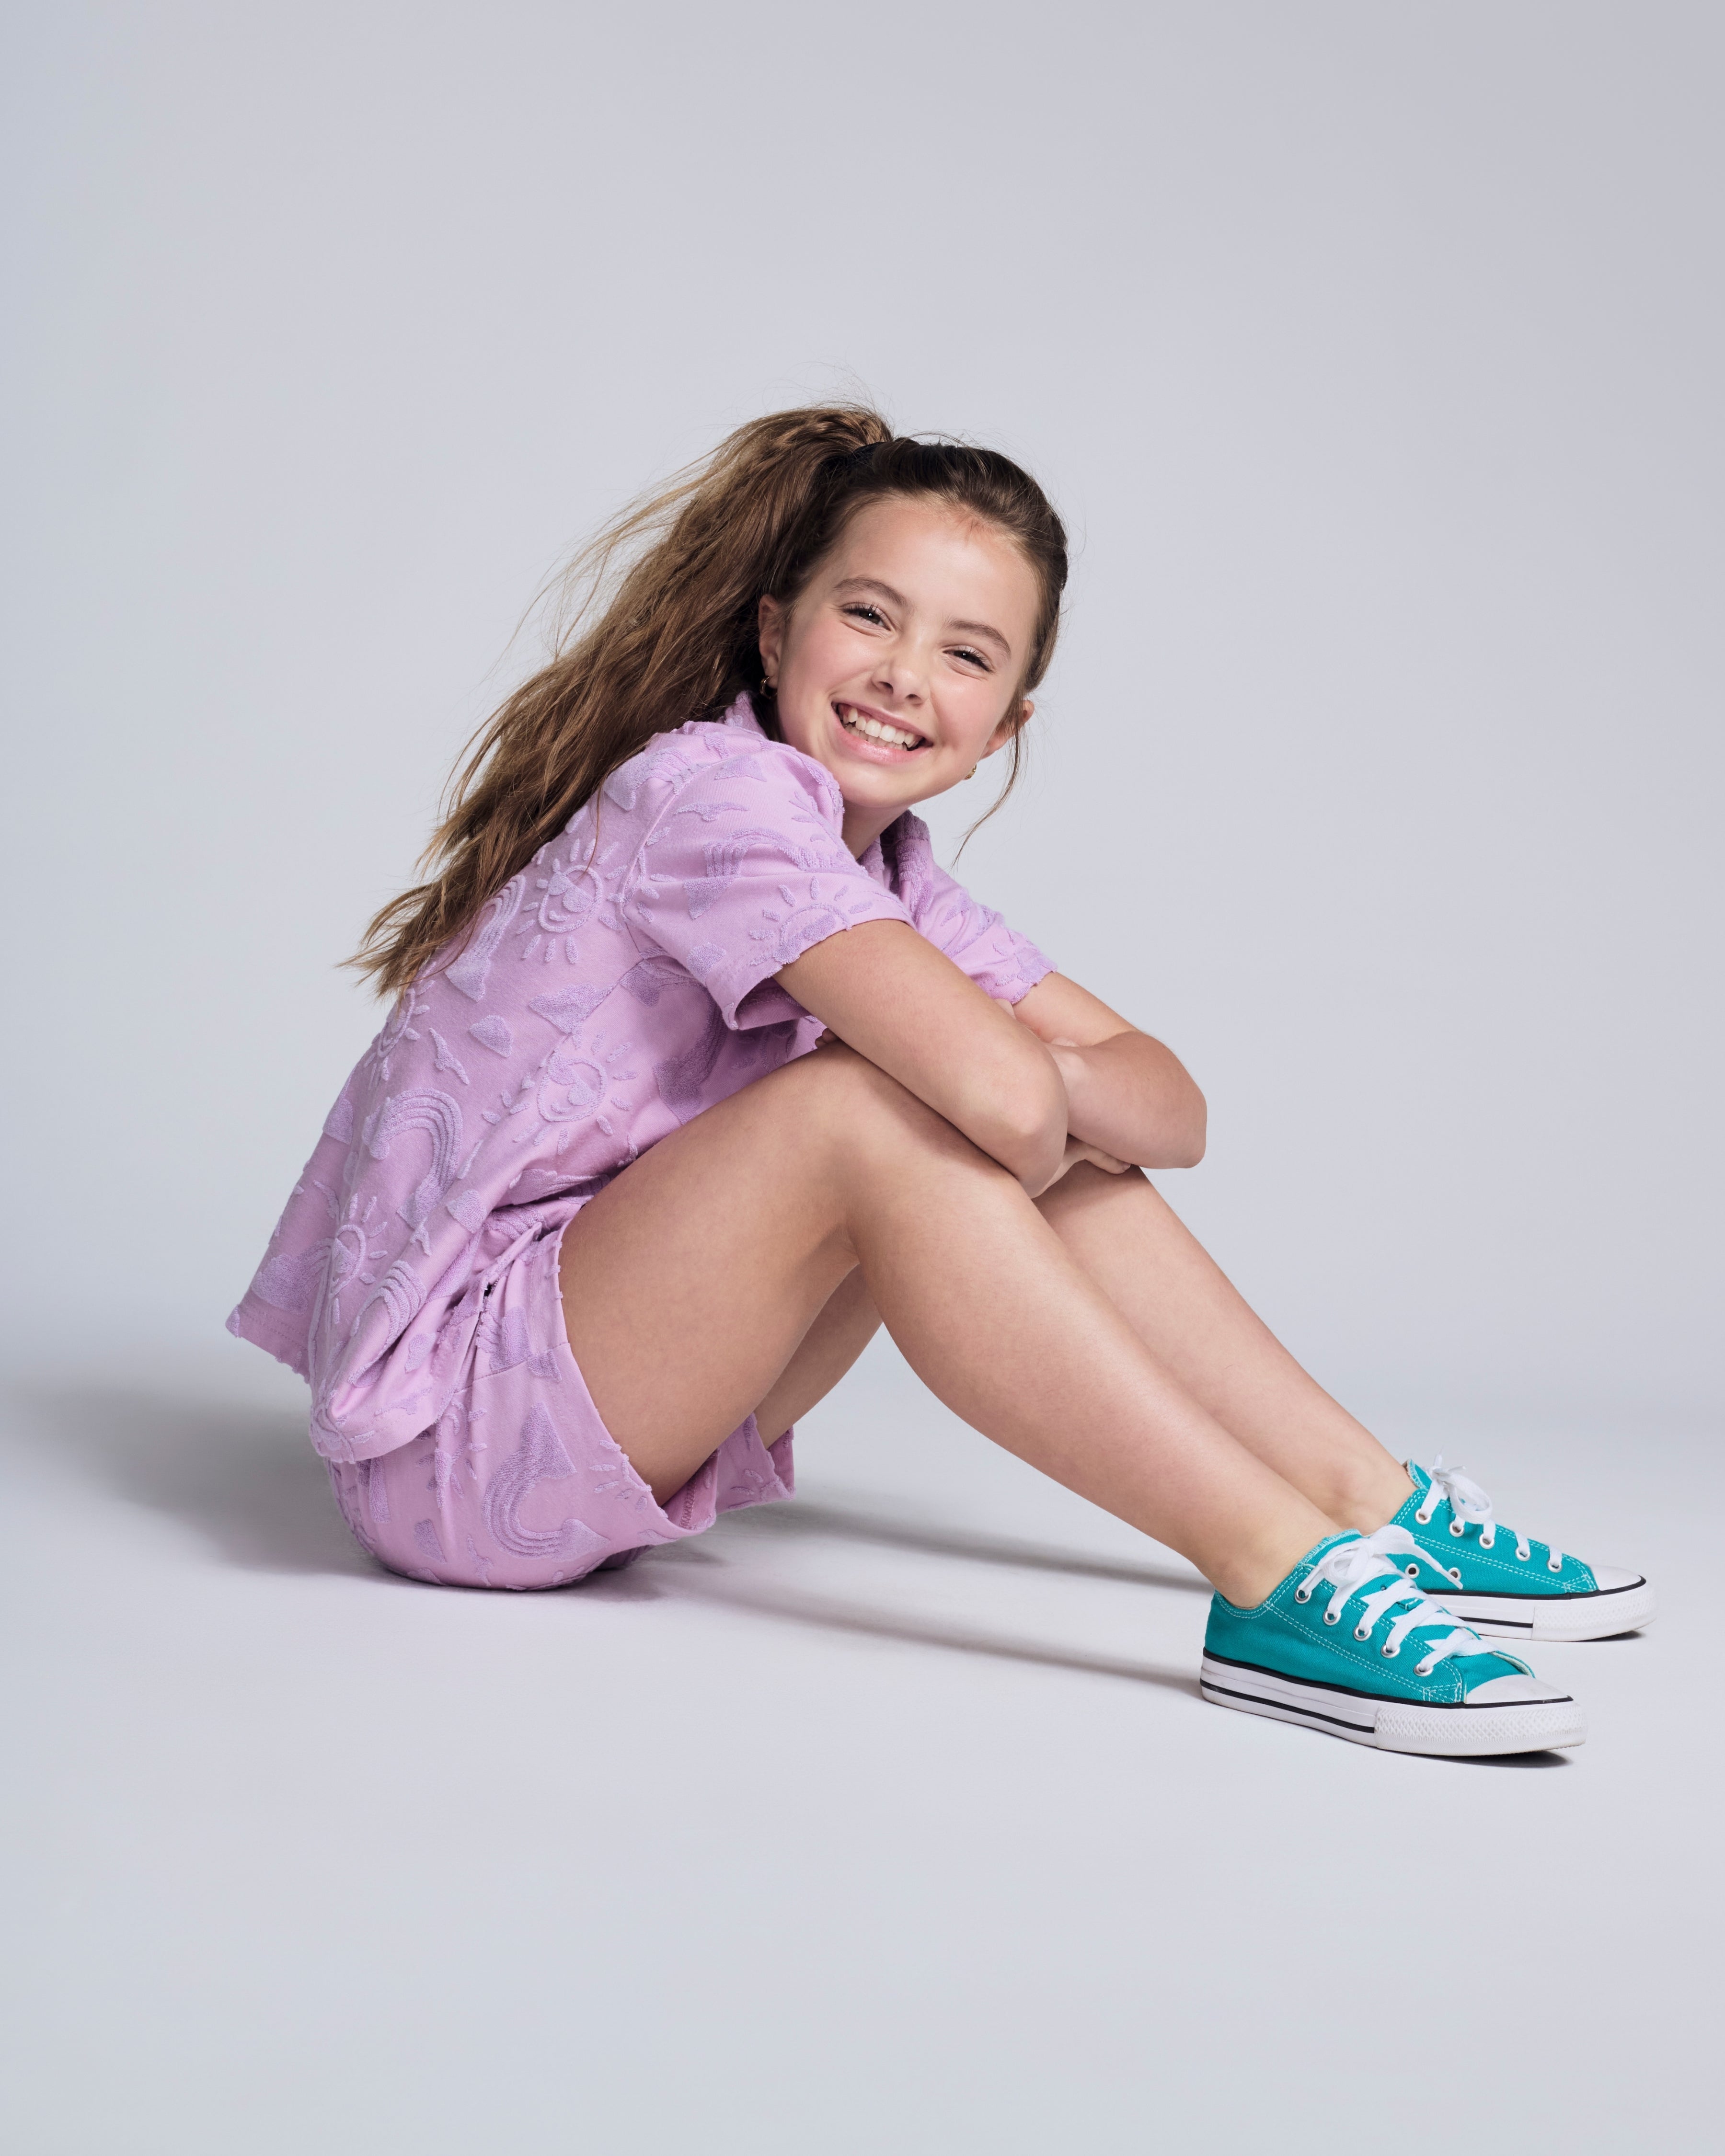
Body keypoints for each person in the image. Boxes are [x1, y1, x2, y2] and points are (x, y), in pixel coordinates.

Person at [229, 405, 1651, 1757]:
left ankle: (1365, 1498)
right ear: (777, 629)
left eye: (969, 655)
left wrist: (1016, 1086)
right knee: (885, 1105)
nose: (909, 674)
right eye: (869, 614)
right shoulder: (709, 798)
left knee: (957, 1099)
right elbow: (1029, 1102)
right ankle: (1278, 1573)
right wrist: (1011, 1084)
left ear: (1008, 721)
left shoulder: (888, 878)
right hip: (456, 1450)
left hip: (611, 1410)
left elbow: (1172, 1106)